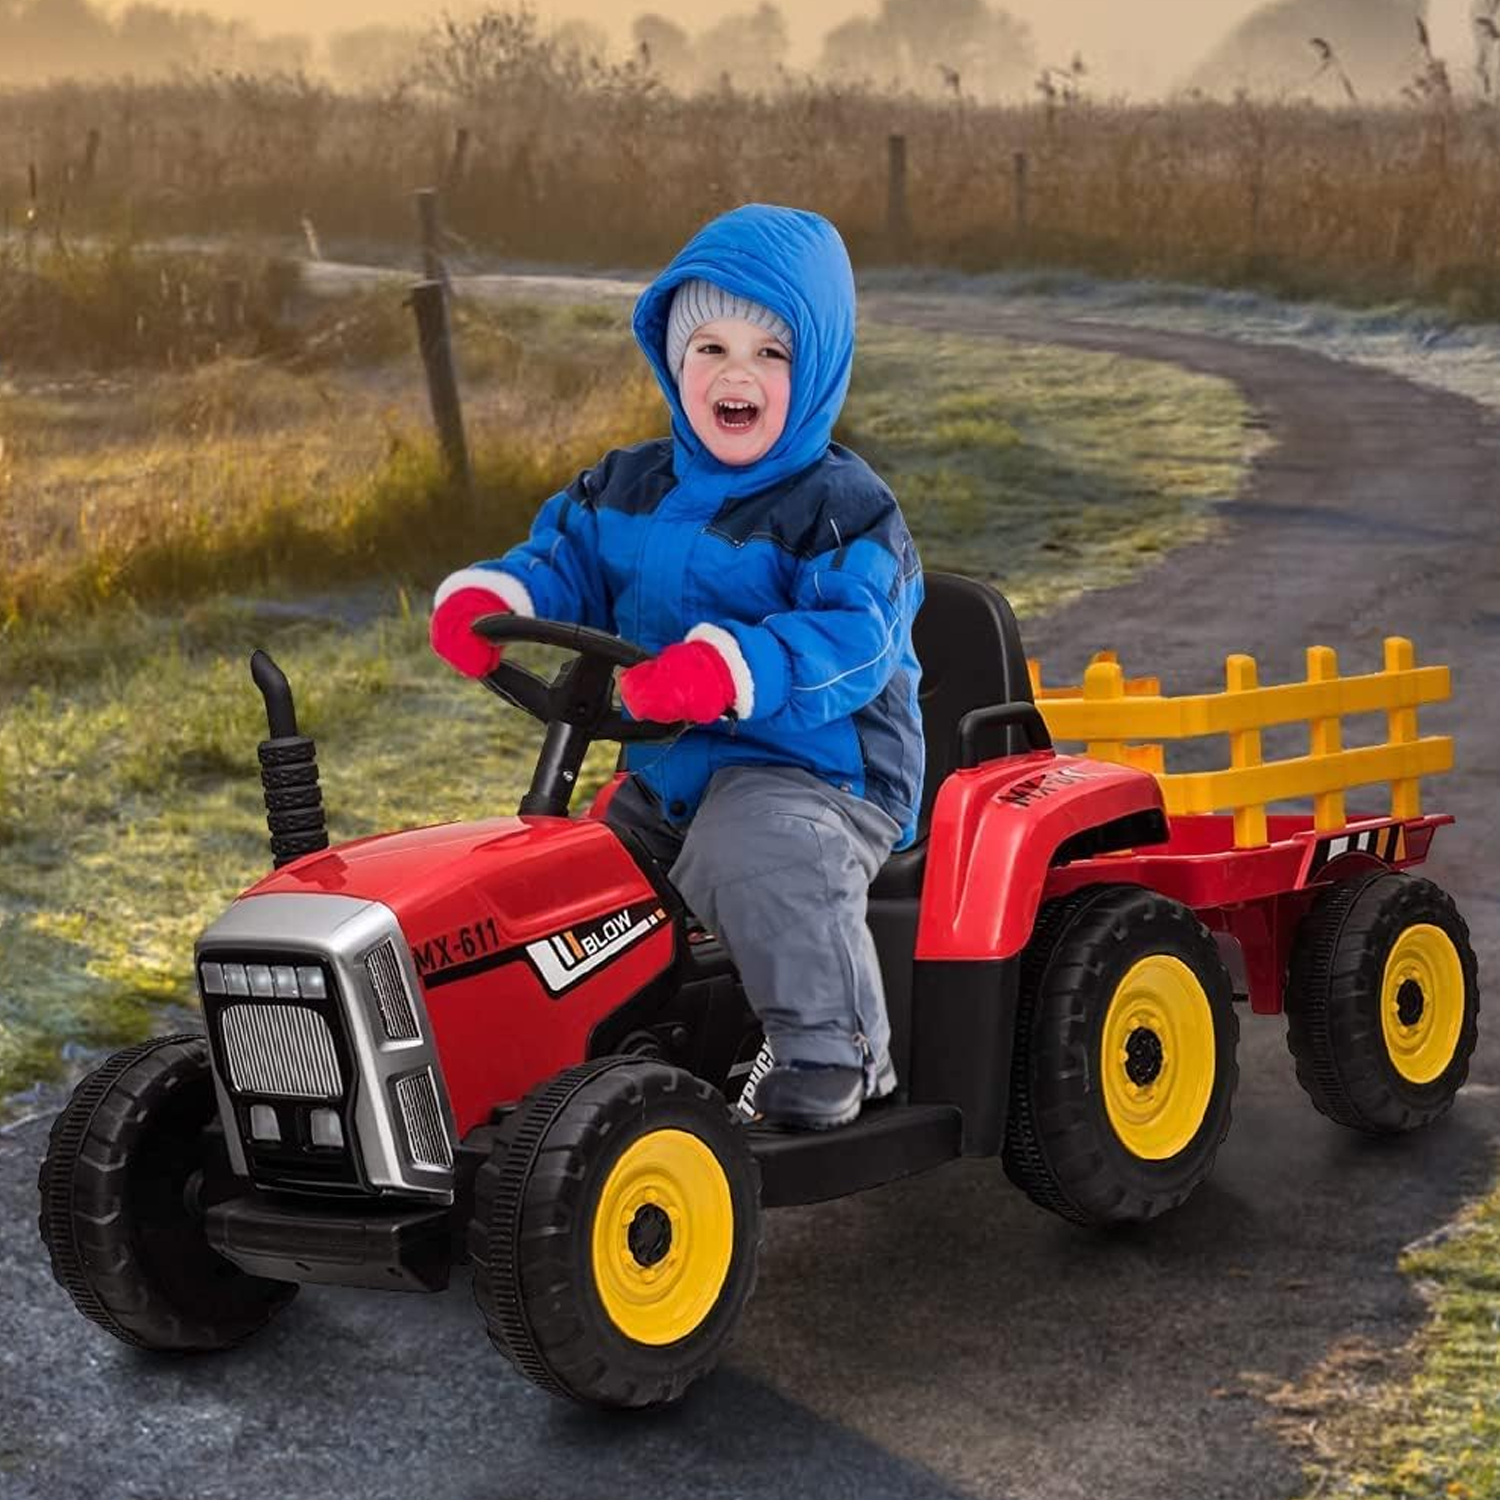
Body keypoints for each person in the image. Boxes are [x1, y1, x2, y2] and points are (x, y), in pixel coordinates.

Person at [430, 203, 924, 1130]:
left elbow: (851, 644)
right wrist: (496, 601)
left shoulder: (844, 512)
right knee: (560, 880)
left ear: (815, 369)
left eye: (772, 355)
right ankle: (543, 1070)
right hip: (662, 774)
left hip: (816, 775)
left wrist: (725, 672)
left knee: (756, 851)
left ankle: (832, 1051)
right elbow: (564, 562)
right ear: (672, 359)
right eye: (711, 347)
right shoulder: (627, 485)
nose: (738, 373)